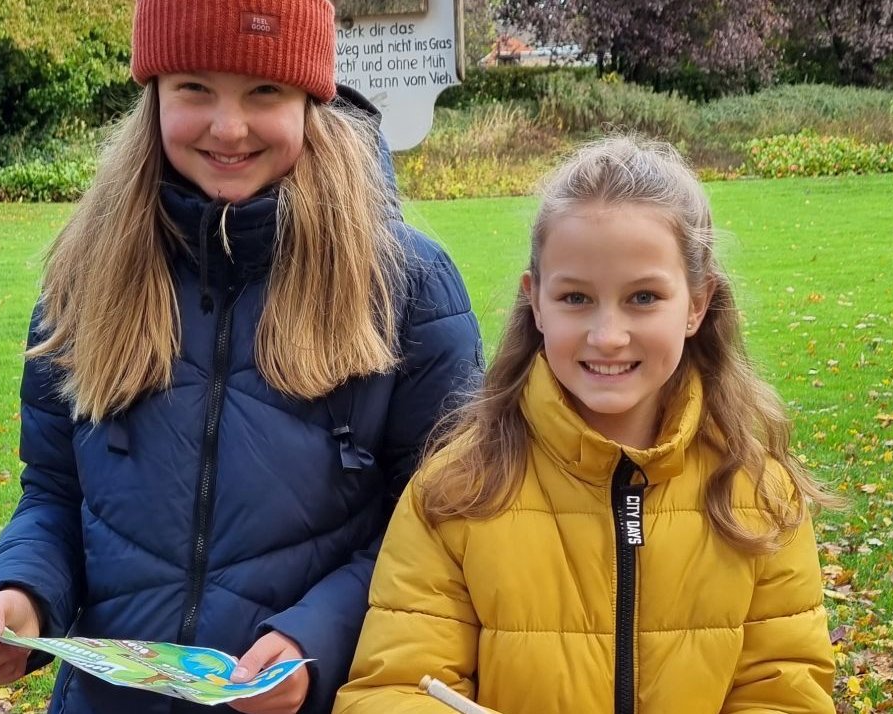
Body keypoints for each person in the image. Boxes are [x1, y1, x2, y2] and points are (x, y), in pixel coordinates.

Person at [0, 1, 483, 713]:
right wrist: (20, 592)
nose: (228, 128)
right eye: (194, 88)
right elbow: (55, 491)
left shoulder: (405, 284)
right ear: (155, 95)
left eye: (264, 91)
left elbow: (439, 527)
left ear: (310, 99)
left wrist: (313, 640)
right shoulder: (87, 271)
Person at [334, 135, 838, 714]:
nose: (607, 335)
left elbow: (785, 692)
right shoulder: (457, 492)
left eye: (644, 297)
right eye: (576, 298)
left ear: (697, 303)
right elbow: (390, 690)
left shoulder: (756, 495)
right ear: (537, 302)